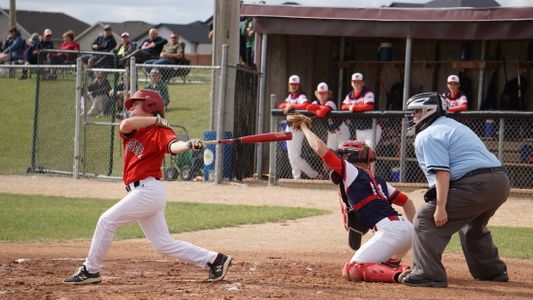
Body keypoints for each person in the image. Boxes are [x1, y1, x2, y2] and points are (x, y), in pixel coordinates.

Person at [63, 89, 232, 285]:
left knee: (106, 221)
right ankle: (215, 260)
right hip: (142, 191)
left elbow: (173, 147)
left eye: (136, 103)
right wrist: (155, 120)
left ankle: (90, 270)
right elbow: (125, 124)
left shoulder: (162, 132)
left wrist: (188, 145)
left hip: (148, 190)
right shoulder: (135, 129)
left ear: (150, 105)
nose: (132, 107)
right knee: (164, 244)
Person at [401, 92, 510, 288]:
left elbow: (442, 173)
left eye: (416, 111)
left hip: (476, 184)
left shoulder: (427, 134)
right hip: (500, 183)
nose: (412, 116)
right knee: (471, 225)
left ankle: (428, 274)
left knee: (425, 219)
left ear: (428, 111)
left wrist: (440, 206)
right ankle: (492, 271)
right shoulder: (454, 126)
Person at [291, 115, 416, 283]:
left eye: (343, 156)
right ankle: (395, 267)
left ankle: (400, 274)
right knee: (384, 263)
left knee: (353, 269)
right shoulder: (379, 181)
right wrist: (417, 234)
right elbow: (408, 203)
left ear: (350, 157)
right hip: (406, 230)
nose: (341, 159)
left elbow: (320, 149)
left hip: (390, 231)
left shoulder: (351, 170)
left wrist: (305, 128)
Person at [279, 75, 319, 180]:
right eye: (292, 84)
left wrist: (292, 106)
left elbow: (305, 105)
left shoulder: (301, 96)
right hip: (289, 127)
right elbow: (281, 105)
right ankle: (296, 177)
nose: (293, 86)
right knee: (291, 157)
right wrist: (287, 105)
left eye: (295, 84)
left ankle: (314, 175)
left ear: (299, 85)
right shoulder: (290, 97)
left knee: (295, 157)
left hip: (298, 127)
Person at [306, 82, 350, 176]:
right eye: (320, 93)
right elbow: (308, 107)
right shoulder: (316, 102)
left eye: (324, 93)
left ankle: (345, 174)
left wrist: (316, 108)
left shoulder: (331, 102)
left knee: (344, 154)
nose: (321, 96)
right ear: (316, 94)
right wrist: (317, 107)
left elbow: (321, 113)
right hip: (331, 133)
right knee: (327, 154)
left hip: (341, 130)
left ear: (328, 94)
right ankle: (326, 174)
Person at [341, 72, 382, 151]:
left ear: (363, 83)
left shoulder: (368, 93)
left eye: (358, 82)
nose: (356, 84)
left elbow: (369, 106)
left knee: (368, 153)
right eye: (354, 82)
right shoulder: (350, 95)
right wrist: (352, 107)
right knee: (360, 155)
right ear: (351, 83)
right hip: (359, 130)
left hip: (371, 129)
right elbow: (343, 106)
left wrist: (354, 107)